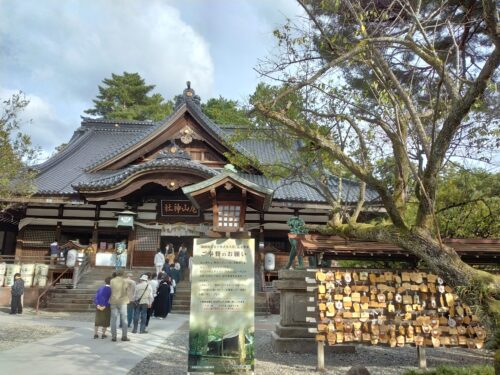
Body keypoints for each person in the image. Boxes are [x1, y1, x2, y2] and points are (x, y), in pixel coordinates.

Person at [109, 269, 130, 342]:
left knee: (113, 319)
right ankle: (124, 336)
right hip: (123, 301)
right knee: (124, 319)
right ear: (123, 274)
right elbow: (127, 289)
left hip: (113, 300)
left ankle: (113, 337)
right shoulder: (125, 281)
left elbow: (111, 289)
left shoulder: (112, 281)